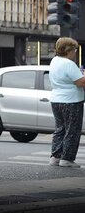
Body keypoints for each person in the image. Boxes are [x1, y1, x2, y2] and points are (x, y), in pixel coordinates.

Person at [48, 37, 85, 168]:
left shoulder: (54, 61)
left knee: (60, 129)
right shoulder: (69, 64)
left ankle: (55, 157)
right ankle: (67, 158)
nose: (75, 52)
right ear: (68, 50)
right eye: (74, 50)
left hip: (56, 99)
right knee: (72, 130)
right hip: (72, 101)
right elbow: (81, 82)